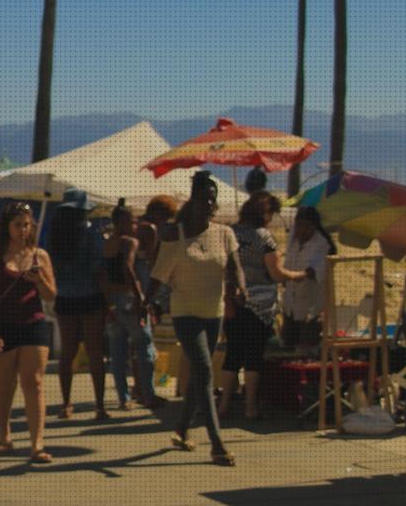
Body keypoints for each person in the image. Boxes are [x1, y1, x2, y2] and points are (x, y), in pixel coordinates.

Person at [146, 171, 244, 466]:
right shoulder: (175, 237)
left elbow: (235, 268)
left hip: (213, 313)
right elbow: (157, 275)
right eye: (204, 198)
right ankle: (216, 443)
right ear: (193, 200)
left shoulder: (224, 234)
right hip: (185, 312)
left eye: (213, 199)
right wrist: (144, 301)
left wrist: (240, 286)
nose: (209, 203)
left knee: (200, 376)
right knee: (203, 368)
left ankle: (181, 428)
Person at [219, 192, 309, 420]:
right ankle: (250, 407)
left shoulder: (229, 232)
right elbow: (276, 274)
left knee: (233, 353)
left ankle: (223, 405)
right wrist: (300, 275)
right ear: (265, 214)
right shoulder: (264, 238)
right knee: (253, 356)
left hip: (231, 301)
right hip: (258, 305)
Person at [0, 202, 57, 463]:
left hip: (34, 323)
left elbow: (50, 295)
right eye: (17, 225)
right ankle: (4, 432)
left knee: (33, 383)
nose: (23, 230)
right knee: (6, 383)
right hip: (3, 325)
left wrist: (39, 280)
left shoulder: (40, 255)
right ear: (7, 226)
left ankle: (37, 443)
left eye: (26, 224)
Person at [49, 187, 109, 420]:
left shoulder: (54, 234)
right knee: (95, 351)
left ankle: (66, 404)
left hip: (65, 297)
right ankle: (100, 405)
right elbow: (99, 268)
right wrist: (108, 302)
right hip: (90, 296)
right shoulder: (90, 233)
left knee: (67, 352)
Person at [102, 200, 159, 410]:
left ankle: (124, 398)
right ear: (122, 222)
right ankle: (149, 394)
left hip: (114, 302)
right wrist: (140, 298)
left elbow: (102, 275)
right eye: (132, 221)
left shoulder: (107, 243)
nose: (135, 225)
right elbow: (128, 267)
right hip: (130, 299)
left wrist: (108, 304)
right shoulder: (129, 243)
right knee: (144, 349)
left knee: (118, 354)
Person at [281, 206, 335, 351]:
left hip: (310, 309)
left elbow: (312, 271)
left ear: (313, 226)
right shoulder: (293, 239)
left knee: (306, 349)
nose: (301, 230)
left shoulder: (322, 245)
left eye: (305, 226)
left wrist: (290, 275)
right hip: (290, 306)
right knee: (288, 346)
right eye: (298, 225)